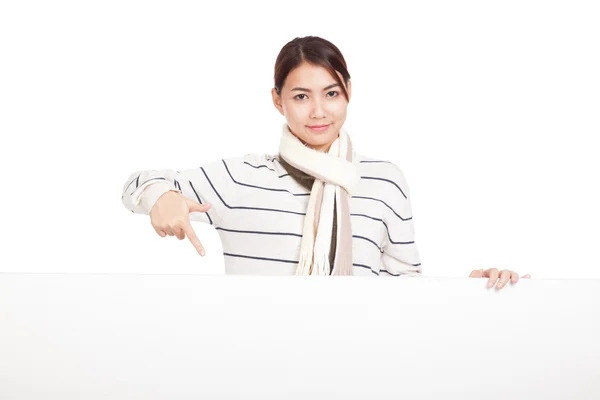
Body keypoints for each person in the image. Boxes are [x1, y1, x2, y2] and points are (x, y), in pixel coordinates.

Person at [121, 36, 530, 289]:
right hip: (255, 372)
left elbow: (407, 292)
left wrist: (466, 294)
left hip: (355, 371)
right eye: (301, 96)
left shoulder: (385, 182)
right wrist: (163, 196)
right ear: (277, 100)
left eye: (331, 93)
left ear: (348, 91)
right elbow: (139, 182)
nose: (318, 111)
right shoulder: (242, 178)